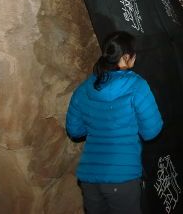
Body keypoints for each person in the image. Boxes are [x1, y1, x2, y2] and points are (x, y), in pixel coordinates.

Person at [66, 31, 163, 214]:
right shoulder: (137, 85)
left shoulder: (84, 88)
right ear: (126, 57)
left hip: (89, 178)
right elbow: (152, 131)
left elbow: (75, 130)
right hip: (123, 176)